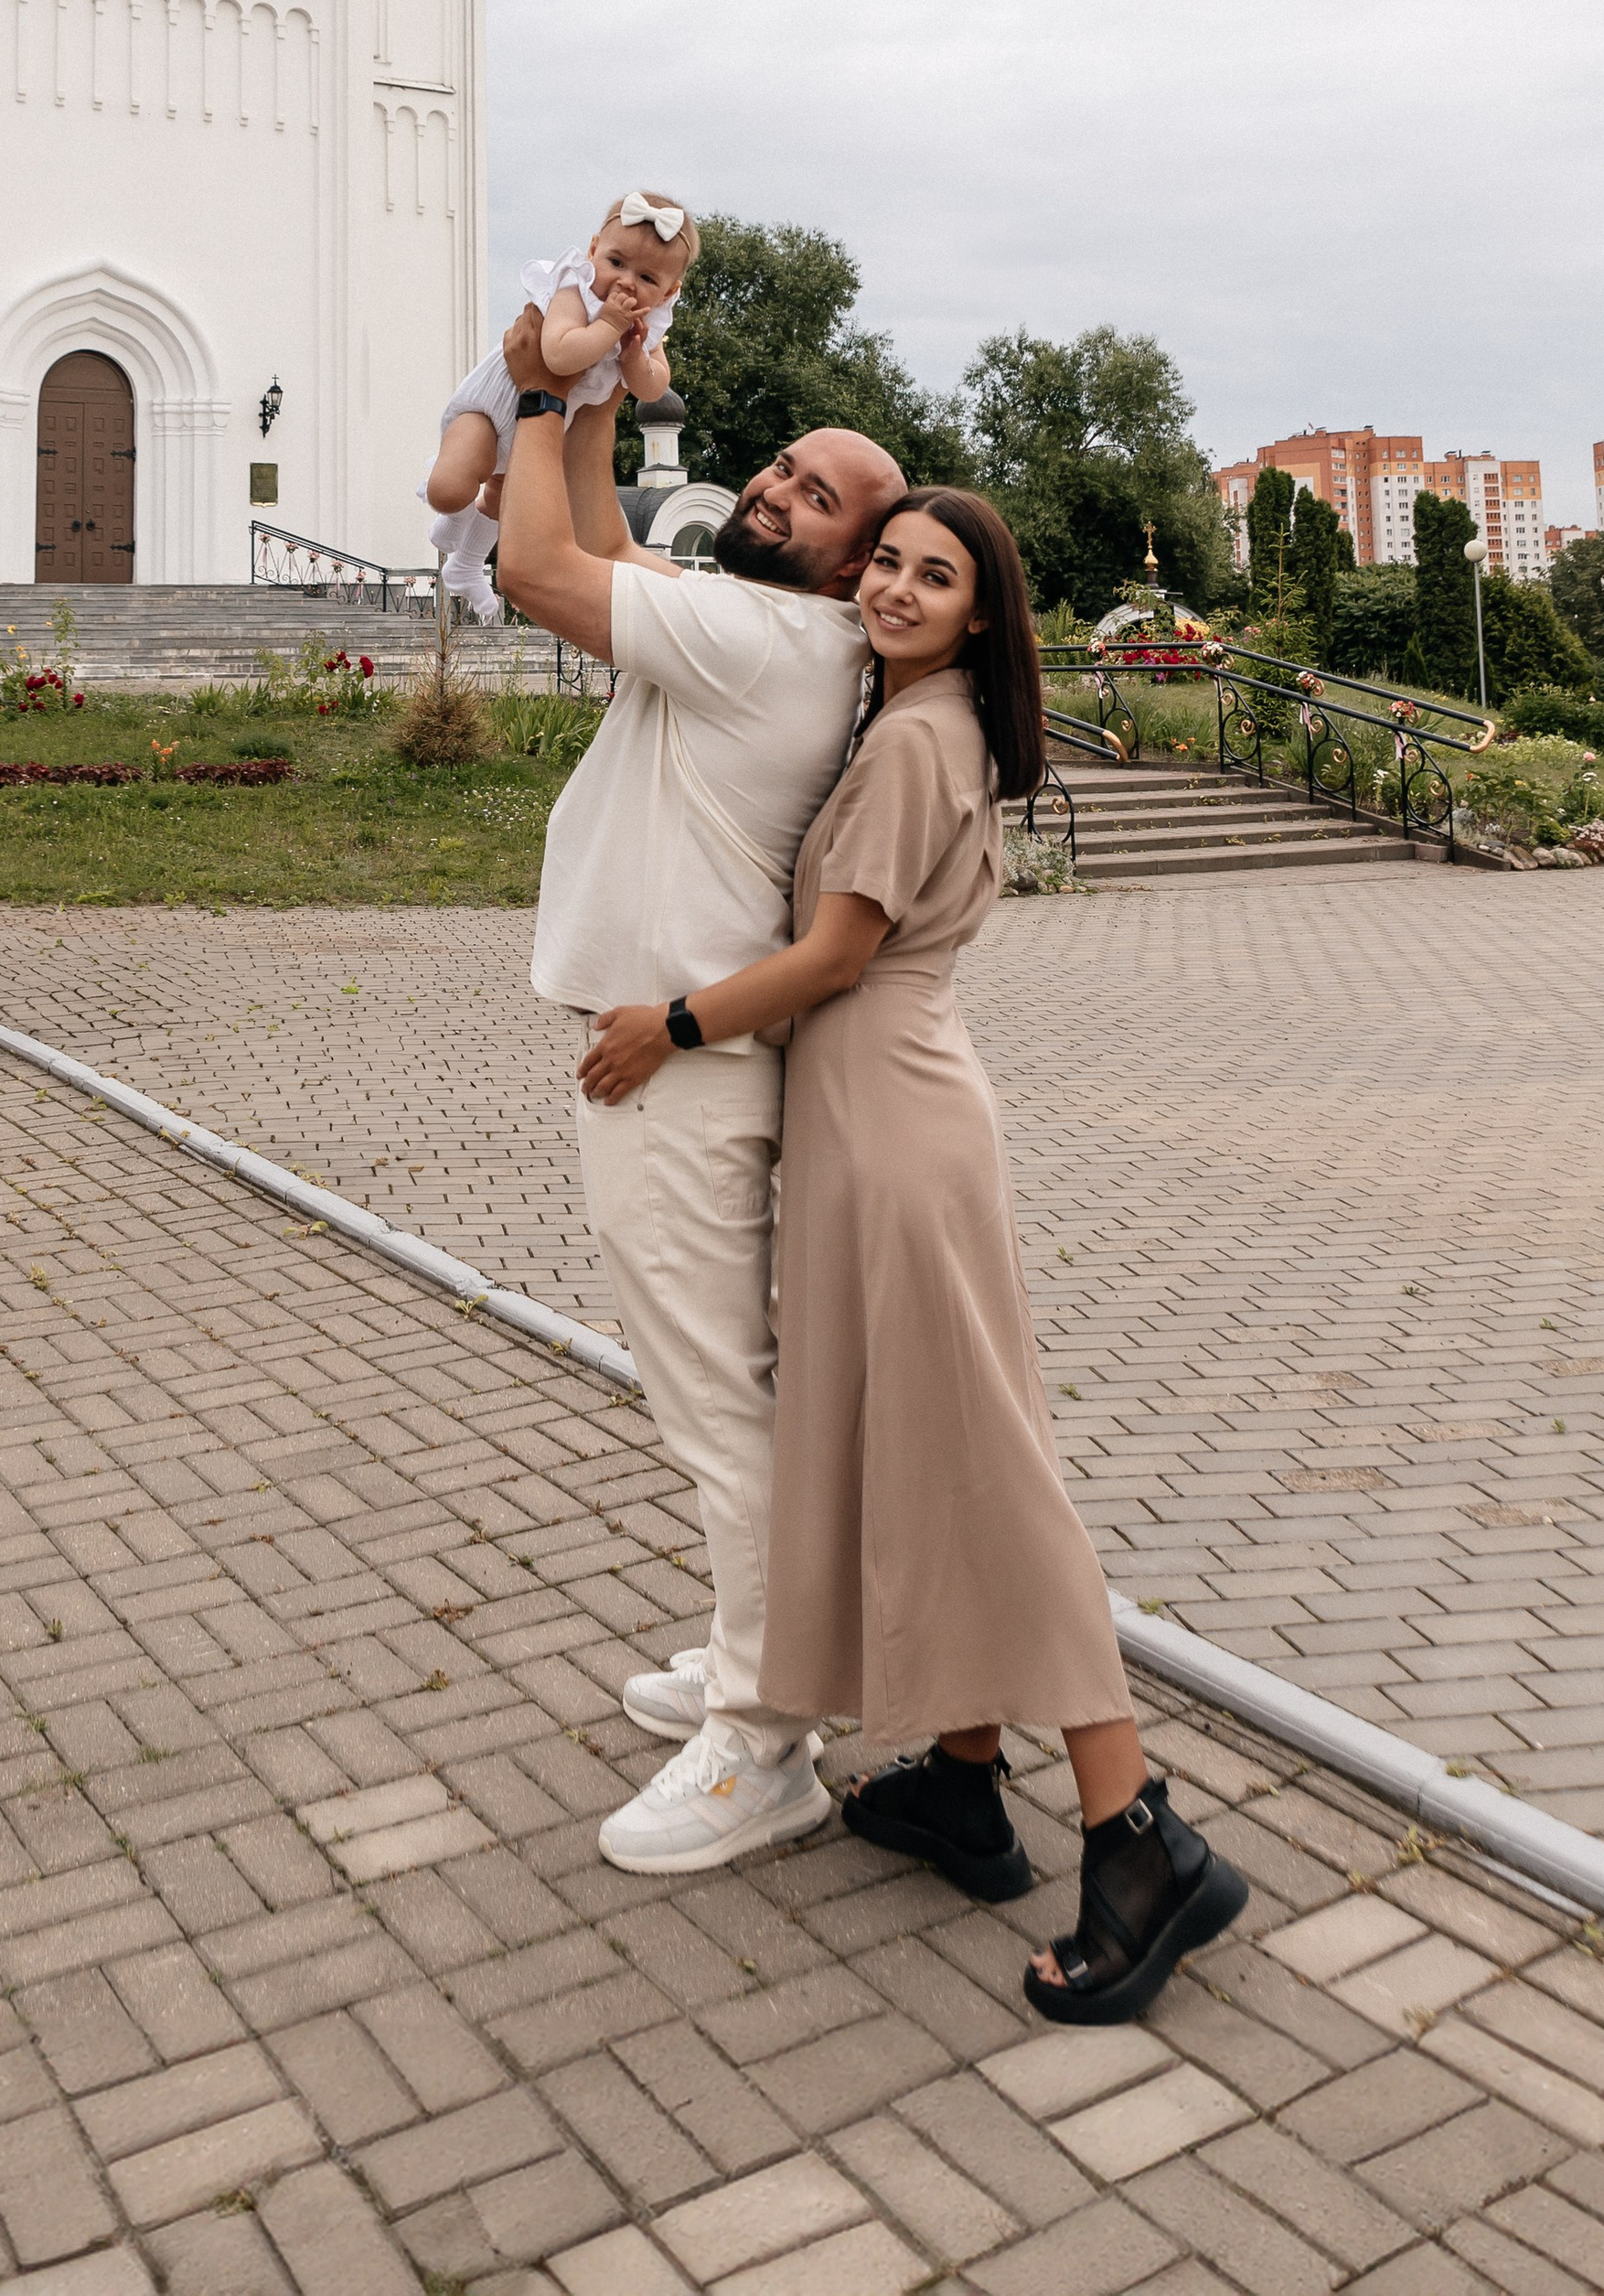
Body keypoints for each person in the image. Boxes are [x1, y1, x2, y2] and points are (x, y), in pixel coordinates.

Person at [578, 489, 1250, 2019]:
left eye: (931, 576)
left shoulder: (908, 741)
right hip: (889, 1117)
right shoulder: (936, 726)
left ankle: (1138, 1837)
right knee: (924, 1453)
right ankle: (958, 1778)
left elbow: (833, 957)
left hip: (892, 1131)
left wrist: (666, 1026)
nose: (890, 586)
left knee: (990, 1474)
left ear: (977, 616)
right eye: (885, 560)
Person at [495, 334, 904, 1872]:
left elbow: (537, 568)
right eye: (787, 467)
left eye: (822, 498)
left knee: (720, 1408)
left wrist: (539, 394)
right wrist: (604, 399)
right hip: (675, 1060)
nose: (785, 491)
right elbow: (598, 547)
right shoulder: (751, 622)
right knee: (725, 1396)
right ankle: (758, 1652)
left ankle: (766, 1729)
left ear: (856, 565)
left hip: (677, 1066)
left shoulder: (778, 645)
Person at [424, 192, 694, 618]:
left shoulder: (649, 325)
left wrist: (633, 357)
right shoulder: (575, 289)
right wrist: (607, 324)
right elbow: (558, 356)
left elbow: (653, 388)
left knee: (498, 503)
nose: (626, 282)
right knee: (449, 490)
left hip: (544, 429)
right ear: (592, 252)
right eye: (616, 262)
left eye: (647, 277)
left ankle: (468, 565)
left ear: (668, 292)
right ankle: (453, 521)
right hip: (496, 406)